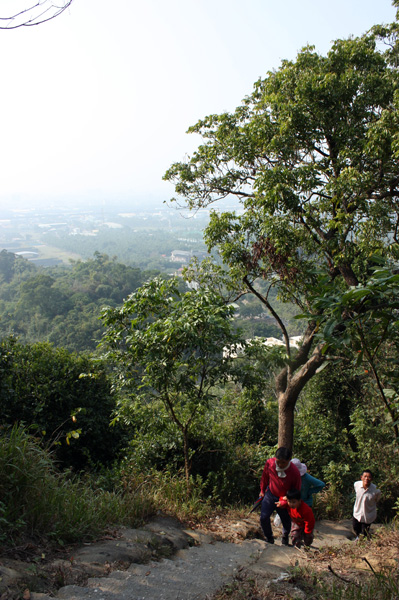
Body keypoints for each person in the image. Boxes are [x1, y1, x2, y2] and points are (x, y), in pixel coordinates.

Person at [259, 447, 301, 545]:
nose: (280, 465)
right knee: (263, 517)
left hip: (285, 498)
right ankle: (269, 538)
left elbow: (296, 491)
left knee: (286, 521)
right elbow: (264, 477)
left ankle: (285, 537)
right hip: (270, 494)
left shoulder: (294, 472)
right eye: (278, 462)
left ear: (289, 460)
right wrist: (262, 490)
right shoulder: (270, 463)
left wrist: (286, 501)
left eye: (283, 463)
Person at [353, 469, 381, 540]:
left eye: (369, 477)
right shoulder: (356, 485)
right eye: (365, 476)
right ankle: (358, 537)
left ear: (371, 479)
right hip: (357, 511)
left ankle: (365, 541)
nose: (366, 479)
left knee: (365, 530)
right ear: (361, 477)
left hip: (368, 513)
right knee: (355, 527)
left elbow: (377, 499)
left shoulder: (376, 490)